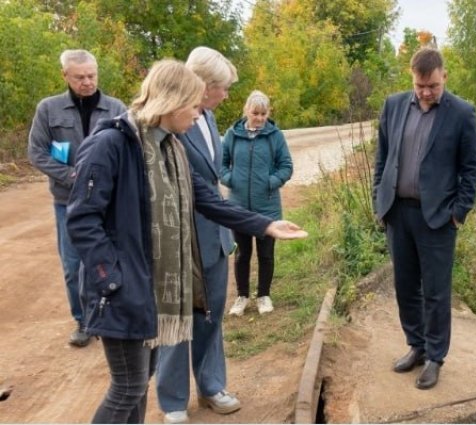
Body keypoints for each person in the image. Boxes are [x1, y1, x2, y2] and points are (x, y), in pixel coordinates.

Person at [65, 59, 307, 424]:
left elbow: (208, 200)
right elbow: (83, 220)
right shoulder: (112, 144)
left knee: (136, 384)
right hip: (123, 291)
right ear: (173, 102)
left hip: (148, 290)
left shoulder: (171, 148)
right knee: (128, 387)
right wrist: (112, 279)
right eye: (194, 106)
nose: (199, 115)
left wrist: (267, 226)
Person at [372, 47, 476, 390]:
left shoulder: (462, 113)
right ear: (412, 78)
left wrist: (458, 214)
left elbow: (472, 168)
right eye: (420, 85)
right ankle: (416, 347)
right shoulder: (393, 105)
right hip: (397, 214)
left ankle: (436, 357)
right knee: (405, 287)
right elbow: (383, 158)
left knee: (435, 292)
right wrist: (380, 202)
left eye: (432, 85)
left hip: (437, 219)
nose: (426, 92)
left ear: (444, 76)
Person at [155, 47, 240, 424]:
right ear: (203, 86)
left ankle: (211, 385)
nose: (225, 95)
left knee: (212, 315)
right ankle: (173, 400)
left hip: (215, 235)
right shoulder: (170, 123)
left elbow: (212, 176)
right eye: (221, 88)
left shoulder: (208, 119)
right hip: (181, 237)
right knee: (178, 317)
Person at [27, 49, 127, 347]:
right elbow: (37, 153)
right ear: (65, 76)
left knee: (112, 259)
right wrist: (73, 176)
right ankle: (83, 321)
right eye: (79, 77)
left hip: (109, 203)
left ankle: (112, 317)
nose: (87, 82)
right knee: (74, 265)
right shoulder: (49, 109)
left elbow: (128, 151)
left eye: (91, 76)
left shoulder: (116, 108)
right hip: (68, 203)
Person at [221, 90, 293, 316]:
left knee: (266, 254)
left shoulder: (275, 136)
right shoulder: (232, 134)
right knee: (242, 254)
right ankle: (242, 296)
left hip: (267, 207)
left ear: (268, 113)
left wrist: (271, 182)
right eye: (255, 113)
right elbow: (221, 164)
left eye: (263, 113)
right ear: (246, 111)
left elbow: (286, 166)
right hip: (239, 205)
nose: (260, 118)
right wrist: (230, 179)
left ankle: (263, 295)